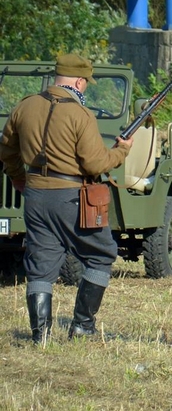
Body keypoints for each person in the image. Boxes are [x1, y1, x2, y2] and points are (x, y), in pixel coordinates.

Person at [0, 54, 134, 343]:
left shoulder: (24, 106)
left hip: (35, 196)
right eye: (86, 83)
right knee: (100, 255)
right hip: (72, 197)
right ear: (78, 81)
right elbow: (95, 164)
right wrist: (122, 151)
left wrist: (18, 178)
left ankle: (41, 336)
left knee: (41, 264)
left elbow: (7, 150)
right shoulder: (80, 114)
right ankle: (82, 327)